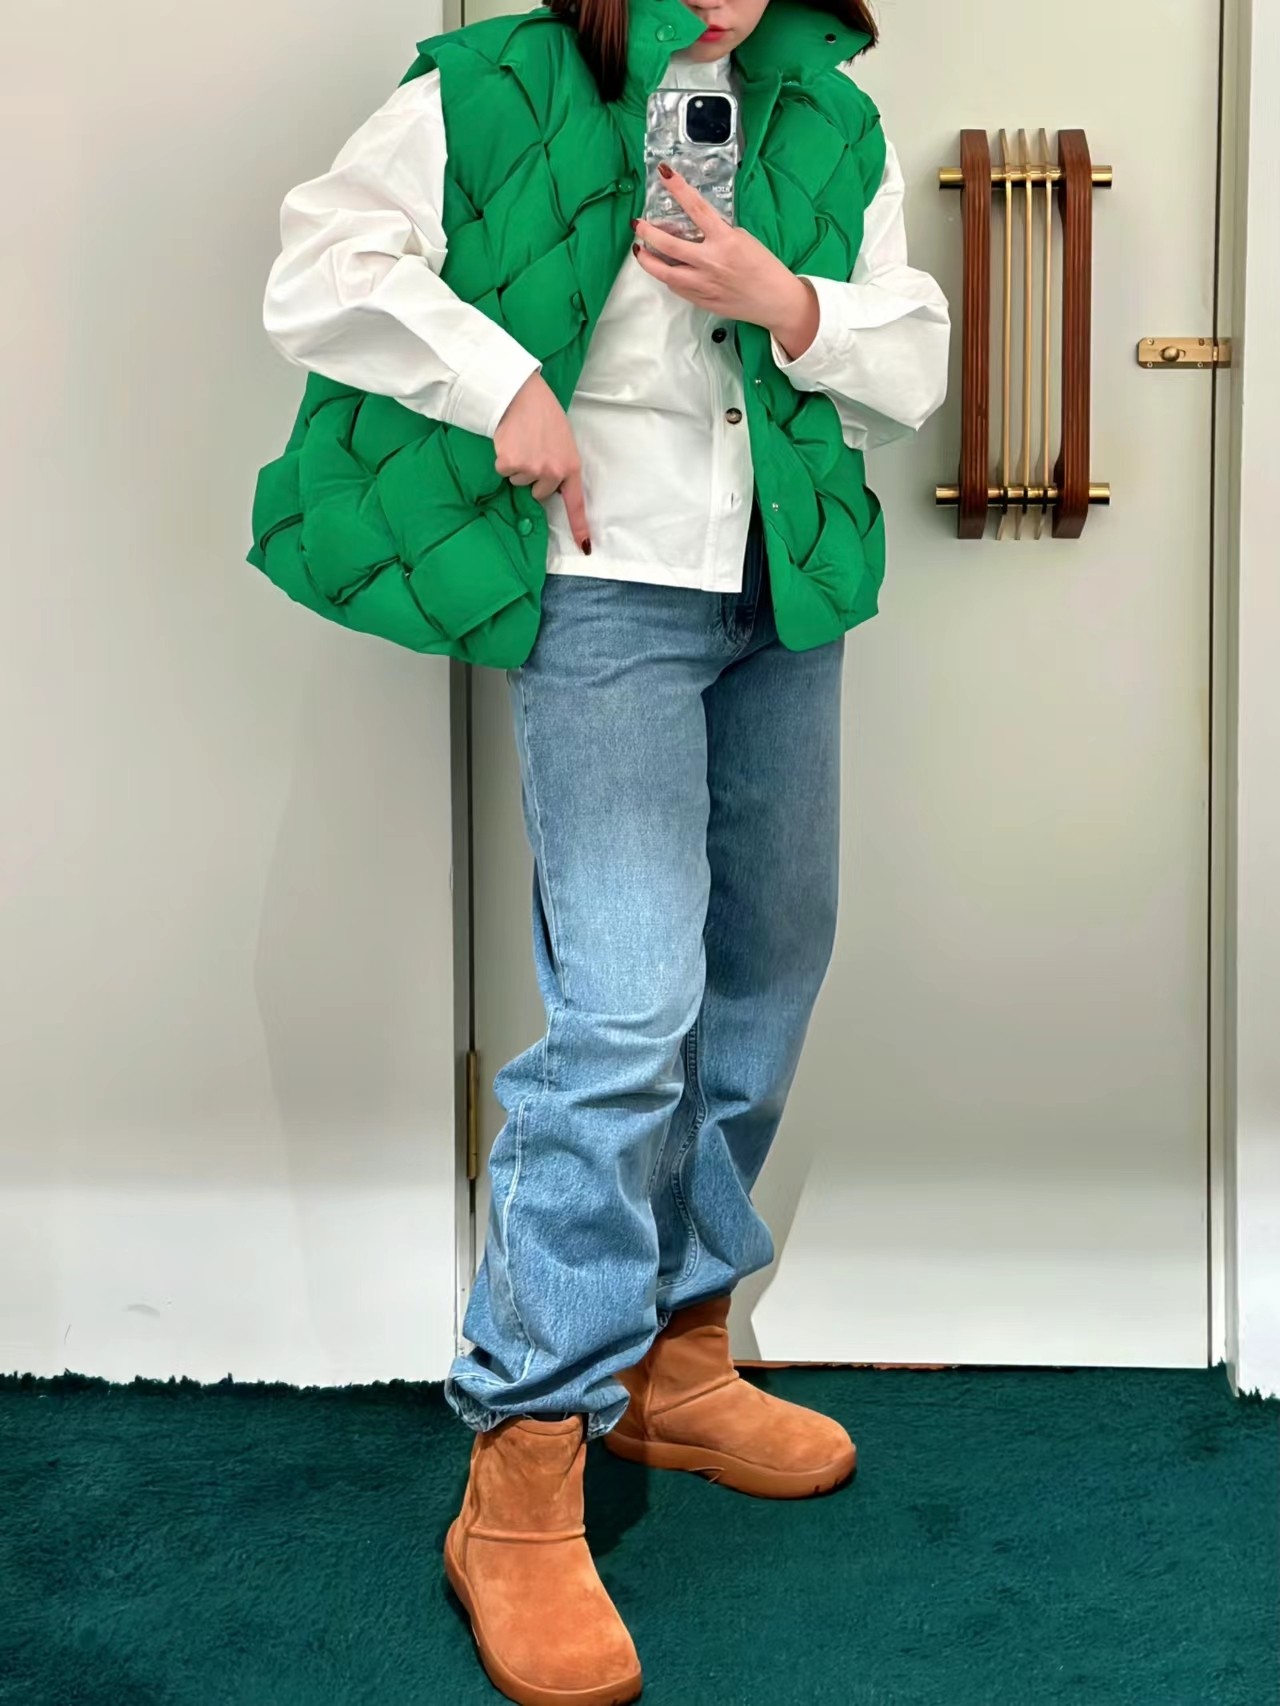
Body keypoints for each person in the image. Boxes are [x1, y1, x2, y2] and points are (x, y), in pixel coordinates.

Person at [256, 0, 949, 1698]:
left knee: (769, 964)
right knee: (628, 1007)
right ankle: (525, 1462)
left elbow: (911, 361)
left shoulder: (828, 111)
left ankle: (679, 1358)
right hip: (599, 585)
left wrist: (786, 302)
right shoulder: (492, 80)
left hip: (783, 578)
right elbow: (321, 266)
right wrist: (502, 382)